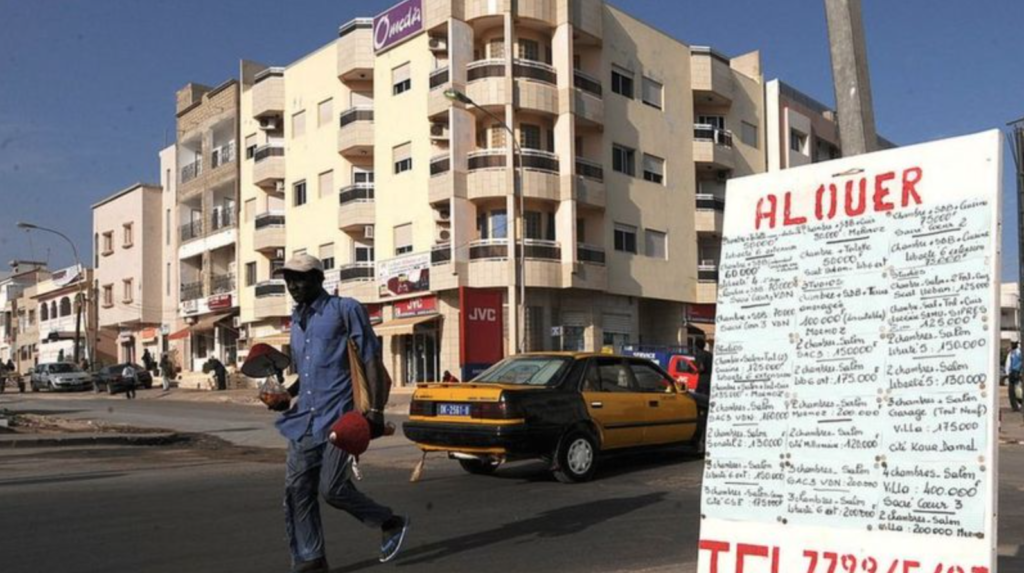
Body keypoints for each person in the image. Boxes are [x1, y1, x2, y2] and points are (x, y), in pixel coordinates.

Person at [268, 254, 409, 572]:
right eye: (288, 280)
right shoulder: (297, 320)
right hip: (304, 422)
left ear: (319, 278)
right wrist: (285, 395)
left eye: (300, 278)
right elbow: (307, 374)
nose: (293, 285)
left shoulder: (346, 309)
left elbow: (371, 358)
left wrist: (375, 412)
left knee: (332, 489)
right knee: (297, 491)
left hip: (341, 420)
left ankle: (389, 521)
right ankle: (311, 558)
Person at [692, 339, 714, 454]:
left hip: (702, 384)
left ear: (696, 347)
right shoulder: (710, 355)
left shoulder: (699, 355)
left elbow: (701, 368)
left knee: (701, 410)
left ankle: (699, 443)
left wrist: (695, 370)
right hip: (710, 383)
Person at [1007, 342, 1022, 412]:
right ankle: (1016, 406)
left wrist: (1017, 370)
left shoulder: (1017, 353)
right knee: (1015, 390)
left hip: (1015, 372)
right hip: (1014, 373)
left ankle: (1016, 406)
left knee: (1014, 391)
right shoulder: (1013, 353)